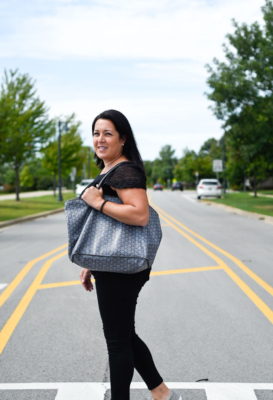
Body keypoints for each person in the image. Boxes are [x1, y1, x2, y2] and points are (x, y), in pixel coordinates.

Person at [80, 110, 182, 400]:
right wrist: (90, 261)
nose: (100, 139)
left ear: (123, 139)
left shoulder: (125, 170)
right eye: (96, 133)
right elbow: (105, 225)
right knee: (124, 335)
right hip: (112, 264)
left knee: (117, 341)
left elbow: (139, 215)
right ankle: (162, 393)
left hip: (121, 268)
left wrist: (98, 203)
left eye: (108, 133)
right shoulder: (111, 169)